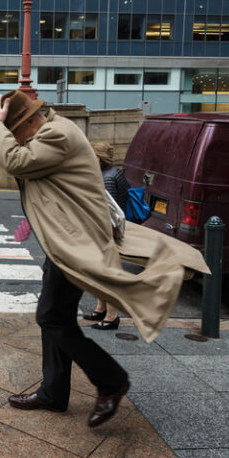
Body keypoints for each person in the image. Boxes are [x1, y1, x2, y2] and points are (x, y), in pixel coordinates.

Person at [0, 89, 190, 428]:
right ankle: (54, 392)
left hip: (77, 243)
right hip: (64, 241)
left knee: (51, 317)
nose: (14, 140)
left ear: (31, 121)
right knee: (56, 316)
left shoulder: (57, 133)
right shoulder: (50, 132)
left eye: (14, 132)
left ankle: (111, 380)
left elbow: (17, 161)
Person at [82, 141, 131, 330]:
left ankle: (112, 316)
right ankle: (101, 308)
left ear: (98, 158)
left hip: (105, 233)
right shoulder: (114, 172)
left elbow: (107, 212)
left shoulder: (107, 178)